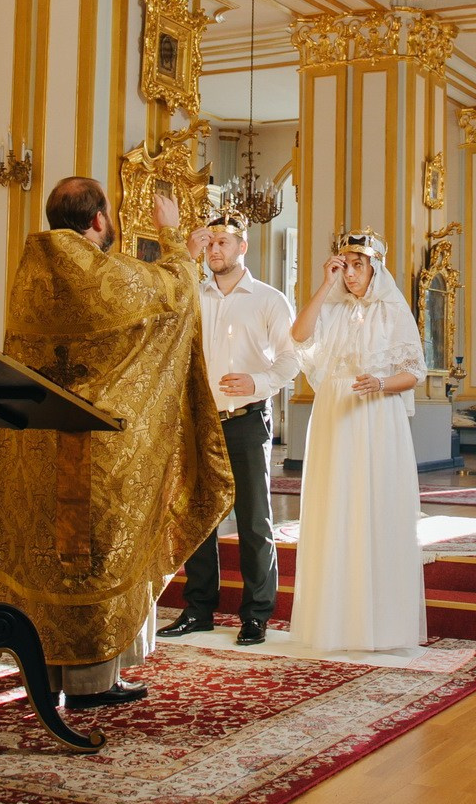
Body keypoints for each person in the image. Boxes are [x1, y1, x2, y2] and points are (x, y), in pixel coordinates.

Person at [0, 177, 232, 710]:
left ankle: (42, 671)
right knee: (91, 559)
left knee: (48, 555)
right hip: (94, 448)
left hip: (39, 444)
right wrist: (174, 242)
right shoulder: (98, 273)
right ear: (98, 220)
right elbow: (173, 296)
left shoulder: (32, 271)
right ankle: (94, 682)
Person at [159, 209, 299, 647]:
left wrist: (257, 382)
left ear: (243, 247)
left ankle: (256, 614)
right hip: (200, 420)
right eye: (210, 242)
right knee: (200, 515)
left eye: (224, 242)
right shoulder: (191, 294)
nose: (215, 249)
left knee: (254, 519)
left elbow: (293, 360)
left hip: (246, 419)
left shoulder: (270, 300)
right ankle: (199, 609)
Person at [288, 228, 426, 652]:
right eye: (345, 264)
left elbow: (415, 371)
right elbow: (298, 335)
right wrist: (325, 283)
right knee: (335, 506)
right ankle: (334, 622)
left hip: (376, 414)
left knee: (375, 505)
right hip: (335, 413)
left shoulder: (392, 309)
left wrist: (383, 383)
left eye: (358, 264)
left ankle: (380, 624)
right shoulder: (330, 307)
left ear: (375, 267)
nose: (350, 272)